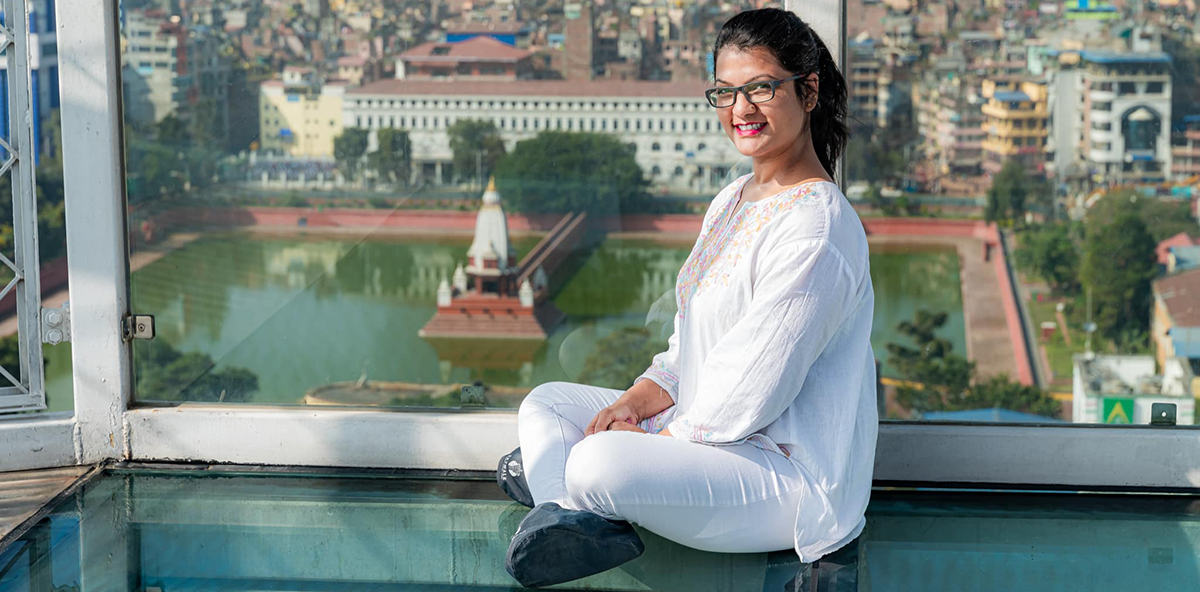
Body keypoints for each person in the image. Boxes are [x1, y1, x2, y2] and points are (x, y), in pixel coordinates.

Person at [501, 8, 878, 587]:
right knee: (548, 403)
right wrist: (635, 403)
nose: (741, 109)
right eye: (725, 92)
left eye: (760, 88)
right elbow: (689, 346)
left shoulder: (817, 229)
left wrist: (654, 440)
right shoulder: (734, 199)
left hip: (786, 473)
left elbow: (753, 387)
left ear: (808, 92)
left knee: (598, 459)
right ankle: (564, 513)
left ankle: (564, 490)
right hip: (707, 435)